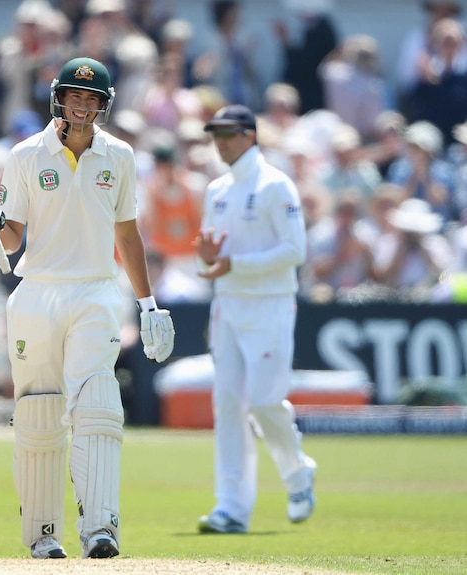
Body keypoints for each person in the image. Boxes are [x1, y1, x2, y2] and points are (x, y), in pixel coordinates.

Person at [0, 57, 174, 559]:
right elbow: (11, 237)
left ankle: (101, 529)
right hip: (38, 291)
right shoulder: (27, 154)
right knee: (38, 412)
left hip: (98, 289)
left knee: (98, 402)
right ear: (59, 98)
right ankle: (43, 535)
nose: (81, 106)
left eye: (91, 99)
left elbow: (127, 233)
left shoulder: (119, 155)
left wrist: (148, 304)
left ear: (103, 104)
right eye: (74, 97)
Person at [192, 104, 316, 534]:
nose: (220, 142)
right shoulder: (217, 190)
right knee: (227, 405)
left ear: (249, 136)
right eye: (215, 135)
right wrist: (209, 262)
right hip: (228, 305)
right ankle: (231, 507)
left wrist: (232, 265)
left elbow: (294, 251)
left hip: (270, 305)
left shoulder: (276, 186)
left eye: (228, 134)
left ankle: (298, 474)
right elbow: (214, 253)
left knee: (264, 403)